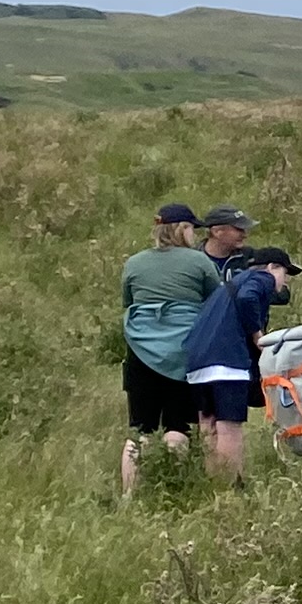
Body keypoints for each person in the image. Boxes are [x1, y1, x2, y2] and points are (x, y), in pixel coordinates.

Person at [116, 202, 225, 498]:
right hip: (184, 353)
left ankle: (130, 496)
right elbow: (217, 303)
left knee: (140, 430)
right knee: (178, 426)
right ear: (182, 229)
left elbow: (128, 301)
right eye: (192, 228)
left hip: (140, 352)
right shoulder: (199, 262)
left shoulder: (134, 263)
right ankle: (173, 490)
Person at [176, 223, 296, 483]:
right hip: (227, 364)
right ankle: (232, 483)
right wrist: (258, 336)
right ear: (272, 267)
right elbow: (248, 299)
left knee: (208, 425)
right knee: (229, 427)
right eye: (285, 273)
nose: (285, 281)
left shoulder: (228, 286)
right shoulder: (260, 278)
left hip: (197, 363)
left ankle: (214, 482)